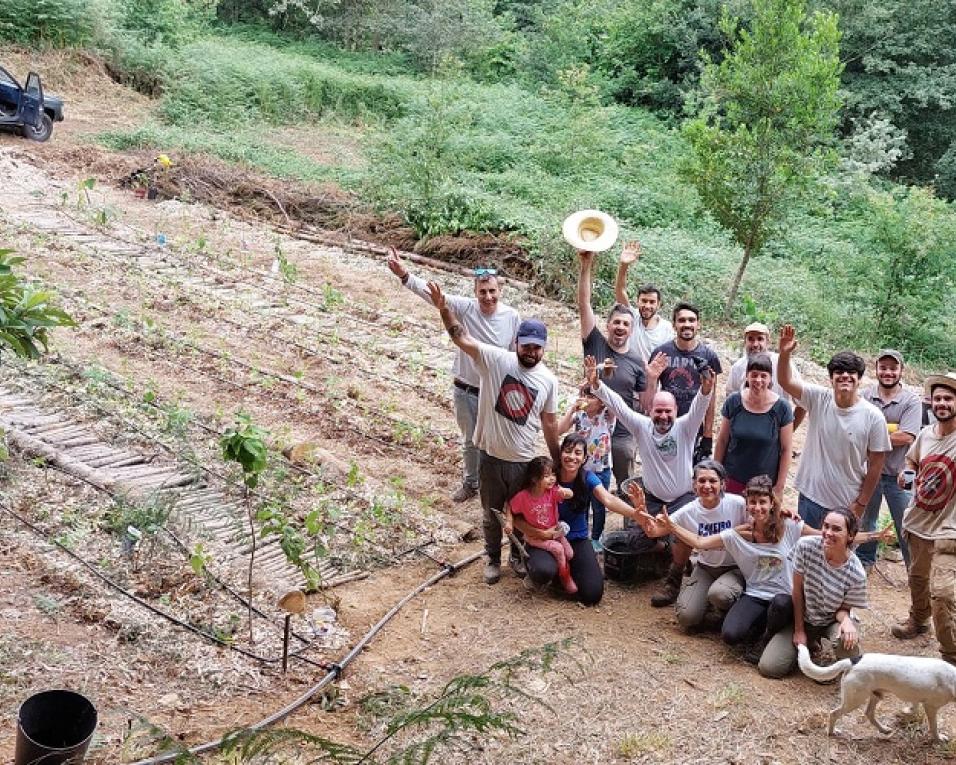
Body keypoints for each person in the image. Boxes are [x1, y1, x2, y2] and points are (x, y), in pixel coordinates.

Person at [426, 281, 559, 585]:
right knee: (491, 514)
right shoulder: (496, 360)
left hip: (524, 461)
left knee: (521, 515)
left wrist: (557, 460)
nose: (531, 352)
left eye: (537, 347)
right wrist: (444, 309)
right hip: (490, 456)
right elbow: (461, 338)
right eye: (526, 345)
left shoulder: (548, 381)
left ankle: (516, 555)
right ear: (516, 343)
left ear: (544, 348)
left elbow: (549, 423)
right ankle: (492, 558)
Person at [388, 251, 520, 503]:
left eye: (492, 291)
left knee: (496, 440)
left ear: (499, 290)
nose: (488, 297)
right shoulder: (465, 307)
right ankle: (471, 483)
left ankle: (496, 485)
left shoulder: (511, 316)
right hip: (466, 389)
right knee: (471, 441)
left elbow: (515, 353)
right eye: (483, 292)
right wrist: (404, 275)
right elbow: (433, 295)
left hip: (494, 391)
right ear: (475, 292)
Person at [584, 353, 713, 606]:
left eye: (668, 411)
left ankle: (673, 579)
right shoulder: (641, 425)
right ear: (650, 410)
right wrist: (596, 384)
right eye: (658, 411)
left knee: (682, 535)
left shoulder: (686, 427)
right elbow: (619, 404)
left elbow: (701, 403)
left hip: (682, 499)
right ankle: (665, 549)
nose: (663, 416)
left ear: (676, 412)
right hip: (653, 499)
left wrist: (706, 387)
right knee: (633, 540)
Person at [642, 475, 804, 677]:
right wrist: (672, 526)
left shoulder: (789, 526)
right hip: (756, 593)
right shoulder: (738, 534)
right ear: (746, 506)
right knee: (730, 635)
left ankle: (767, 637)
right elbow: (700, 542)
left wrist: (851, 536)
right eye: (752, 502)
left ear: (772, 503)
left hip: (784, 598)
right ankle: (758, 625)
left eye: (763, 502)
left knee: (780, 604)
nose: (757, 507)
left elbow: (819, 537)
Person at [776, 325, 891, 528]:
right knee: (808, 553)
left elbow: (876, 465)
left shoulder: (874, 417)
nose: (845, 376)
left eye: (851, 372)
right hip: (810, 496)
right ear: (831, 378)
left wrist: (861, 504)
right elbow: (785, 381)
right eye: (839, 372)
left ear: (859, 379)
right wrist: (784, 354)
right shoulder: (818, 398)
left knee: (839, 558)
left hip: (846, 502)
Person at [517, 434, 643, 606]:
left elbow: (608, 499)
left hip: (576, 539)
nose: (572, 457)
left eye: (578, 453)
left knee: (593, 594)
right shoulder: (546, 477)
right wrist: (537, 532)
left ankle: (565, 574)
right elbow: (517, 510)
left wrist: (636, 514)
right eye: (568, 451)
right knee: (543, 570)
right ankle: (545, 571)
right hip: (544, 538)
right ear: (560, 453)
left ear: (584, 458)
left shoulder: (587, 478)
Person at [636, 460, 747, 630]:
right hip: (706, 567)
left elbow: (761, 522)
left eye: (713, 481)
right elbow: (654, 531)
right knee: (687, 617)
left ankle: (727, 609)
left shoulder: (737, 504)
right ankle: (707, 604)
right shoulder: (689, 511)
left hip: (734, 567)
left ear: (723, 484)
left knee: (720, 595)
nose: (707, 486)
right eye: (701, 481)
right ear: (694, 484)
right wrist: (641, 511)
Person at [891, 372, 956, 661]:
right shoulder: (926, 434)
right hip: (918, 521)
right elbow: (911, 460)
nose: (942, 403)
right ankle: (918, 621)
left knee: (941, 594)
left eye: (949, 399)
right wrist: (906, 473)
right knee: (917, 579)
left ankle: (950, 654)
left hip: (948, 529)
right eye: (938, 398)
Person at [761, 509, 870, 677]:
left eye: (836, 529)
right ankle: (810, 644)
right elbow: (797, 591)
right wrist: (799, 630)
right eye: (826, 526)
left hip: (832, 619)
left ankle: (840, 662)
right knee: (770, 668)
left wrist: (847, 620)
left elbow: (842, 609)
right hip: (806, 616)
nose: (828, 533)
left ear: (850, 535)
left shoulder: (856, 573)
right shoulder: (806, 546)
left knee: (846, 642)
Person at [575, 249, 647, 490]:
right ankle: (582, 524)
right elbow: (584, 303)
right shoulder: (594, 342)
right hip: (590, 423)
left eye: (625, 324)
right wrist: (586, 265)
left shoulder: (637, 360)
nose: (620, 327)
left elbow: (642, 397)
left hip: (623, 431)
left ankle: (630, 524)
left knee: (627, 482)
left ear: (631, 330)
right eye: (616, 322)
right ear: (607, 325)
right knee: (582, 479)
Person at [857, 350, 922, 569]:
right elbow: (857, 432)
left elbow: (907, 436)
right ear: (876, 369)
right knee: (867, 520)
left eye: (893, 368)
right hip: (868, 472)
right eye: (883, 368)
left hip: (899, 475)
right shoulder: (865, 396)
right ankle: (865, 560)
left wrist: (873, 434)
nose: (888, 372)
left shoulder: (911, 401)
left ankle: (913, 569)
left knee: (906, 524)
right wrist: (891, 430)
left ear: (901, 370)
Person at [643, 302, 722, 464]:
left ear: (698, 324)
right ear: (674, 324)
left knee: (692, 474)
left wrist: (708, 434)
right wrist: (651, 378)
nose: (687, 324)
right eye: (682, 320)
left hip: (695, 426)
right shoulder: (661, 354)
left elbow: (712, 397)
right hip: (665, 424)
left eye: (691, 320)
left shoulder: (709, 356)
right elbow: (649, 397)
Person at [714, 352, 794, 499]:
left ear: (770, 379)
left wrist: (779, 486)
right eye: (754, 375)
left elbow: (786, 449)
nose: (758, 380)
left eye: (763, 376)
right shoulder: (734, 402)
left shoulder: (782, 408)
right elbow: (722, 441)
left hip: (765, 485)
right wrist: (716, 474)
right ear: (747, 376)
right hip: (732, 480)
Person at [503, 456, 577, 594]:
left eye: (553, 474)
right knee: (559, 549)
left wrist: (565, 492)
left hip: (554, 531)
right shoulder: (523, 497)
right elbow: (510, 507)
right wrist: (509, 522)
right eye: (546, 476)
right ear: (534, 479)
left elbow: (570, 494)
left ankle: (560, 571)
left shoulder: (553, 491)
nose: (552, 479)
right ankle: (565, 578)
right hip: (536, 537)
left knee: (570, 553)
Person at [557, 386, 616, 550]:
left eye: (592, 396)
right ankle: (580, 535)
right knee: (581, 503)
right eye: (585, 395)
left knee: (599, 506)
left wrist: (598, 386)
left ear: (601, 401)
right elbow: (559, 430)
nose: (586, 399)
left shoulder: (607, 415)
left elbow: (614, 403)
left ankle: (597, 537)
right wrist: (571, 409)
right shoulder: (579, 416)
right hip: (579, 471)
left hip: (601, 470)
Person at [724, 321, 805, 430]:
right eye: (751, 339)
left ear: (768, 341)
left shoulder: (782, 364)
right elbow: (731, 401)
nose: (755, 344)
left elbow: (803, 401)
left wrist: (789, 431)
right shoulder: (738, 368)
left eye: (760, 339)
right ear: (745, 342)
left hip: (774, 430)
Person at [613, 240, 675, 362]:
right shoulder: (632, 317)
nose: (647, 305)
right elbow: (620, 290)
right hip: (629, 373)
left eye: (652, 302)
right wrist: (624, 265)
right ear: (637, 302)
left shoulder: (666, 329)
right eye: (644, 301)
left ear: (659, 304)